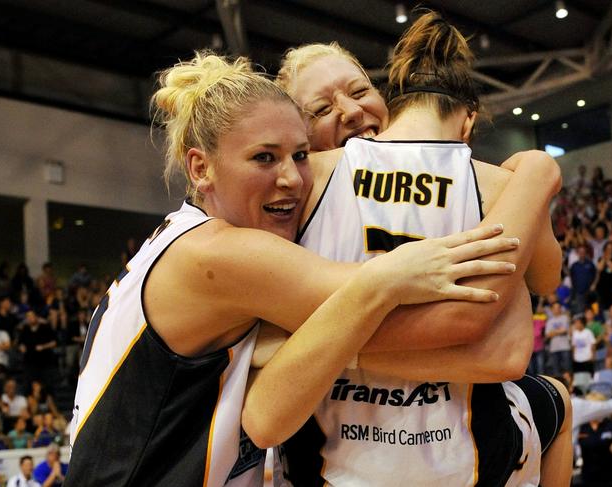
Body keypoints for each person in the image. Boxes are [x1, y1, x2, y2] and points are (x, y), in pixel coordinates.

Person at [65, 52, 521, 487]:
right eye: (264, 157)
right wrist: (534, 179)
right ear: (200, 168)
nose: (292, 178)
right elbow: (457, 325)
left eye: (302, 155)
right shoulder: (221, 255)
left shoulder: (193, 238)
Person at [256, 13, 570, 486]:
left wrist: (305, 348)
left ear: (389, 97)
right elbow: (530, 307)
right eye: (321, 109)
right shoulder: (496, 184)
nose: (351, 112)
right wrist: (537, 171)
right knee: (556, 402)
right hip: (464, 464)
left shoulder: (307, 186)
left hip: (328, 465)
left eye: (360, 92)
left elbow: (506, 353)